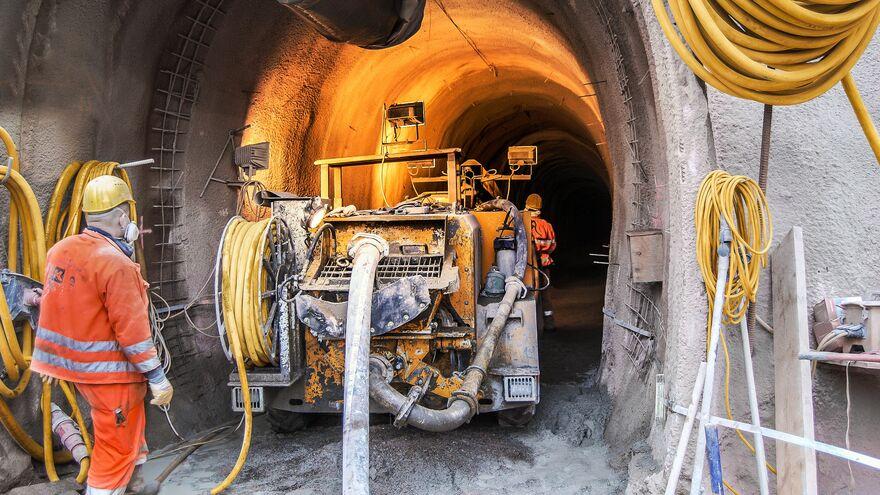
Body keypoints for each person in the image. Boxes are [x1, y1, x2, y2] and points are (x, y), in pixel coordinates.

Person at [30, 175, 172, 495]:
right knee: (114, 449)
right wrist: (157, 377)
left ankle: (133, 486)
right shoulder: (115, 264)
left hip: (81, 373)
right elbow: (133, 334)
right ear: (123, 218)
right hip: (112, 377)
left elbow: (58, 307)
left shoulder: (60, 251)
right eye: (128, 216)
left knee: (130, 427)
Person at [525, 193, 557, 331]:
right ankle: (549, 325)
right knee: (545, 295)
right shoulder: (546, 225)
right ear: (539, 210)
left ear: (526, 207)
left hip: (526, 267)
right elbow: (553, 245)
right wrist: (544, 253)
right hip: (543, 265)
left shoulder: (520, 222)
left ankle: (530, 327)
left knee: (527, 295)